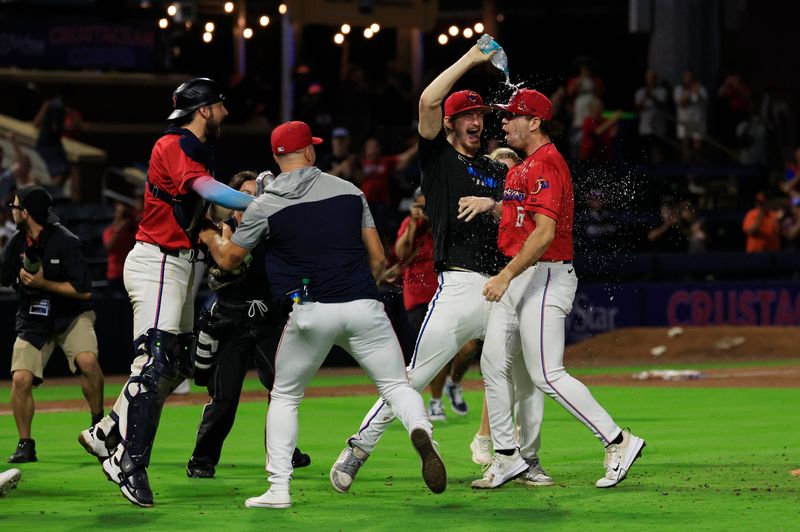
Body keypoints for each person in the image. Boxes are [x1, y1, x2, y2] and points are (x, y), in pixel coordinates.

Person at [199, 120, 444, 509]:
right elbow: (379, 259)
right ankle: (419, 428)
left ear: (278, 158)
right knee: (397, 386)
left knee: (285, 396)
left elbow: (229, 260)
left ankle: (279, 489)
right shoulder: (350, 191)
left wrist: (210, 235)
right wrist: (377, 278)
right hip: (363, 307)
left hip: (310, 311)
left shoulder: (265, 204)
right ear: (309, 152)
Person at [330, 40, 540, 493]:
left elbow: (524, 210)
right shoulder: (439, 159)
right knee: (415, 378)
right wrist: (472, 60)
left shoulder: (494, 169)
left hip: (503, 285)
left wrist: (498, 200)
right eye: (467, 115)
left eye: (481, 116)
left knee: (520, 375)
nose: (477, 121)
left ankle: (512, 459)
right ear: (449, 123)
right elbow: (427, 100)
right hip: (461, 287)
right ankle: (357, 450)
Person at [78, 77, 254, 508]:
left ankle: (107, 431)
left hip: (180, 267)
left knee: (177, 365)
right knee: (155, 364)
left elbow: (206, 204)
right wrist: (260, 203)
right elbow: (205, 191)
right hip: (159, 263)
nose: (226, 113)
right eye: (221, 105)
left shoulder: (196, 149)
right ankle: (128, 463)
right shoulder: (173, 143)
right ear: (205, 109)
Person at [458, 88, 645, 489]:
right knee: (492, 364)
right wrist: (491, 205)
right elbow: (520, 217)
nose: (503, 122)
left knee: (545, 372)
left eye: (512, 116)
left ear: (535, 122)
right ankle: (508, 457)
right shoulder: (524, 166)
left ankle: (617, 439)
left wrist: (506, 275)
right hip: (524, 274)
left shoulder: (545, 164)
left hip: (542, 274)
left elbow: (543, 234)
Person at [186, 171, 310, 479]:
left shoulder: (273, 231)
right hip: (231, 322)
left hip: (269, 319)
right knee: (224, 397)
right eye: (244, 193)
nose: (252, 198)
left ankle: (285, 452)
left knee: (281, 391)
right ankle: (201, 459)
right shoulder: (223, 231)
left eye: (256, 192)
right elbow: (223, 267)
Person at [0, 186, 105, 463]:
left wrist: (44, 283)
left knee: (87, 362)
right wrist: (19, 281)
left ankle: (100, 426)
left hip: (71, 315)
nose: (11, 210)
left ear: (25, 213)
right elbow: (4, 276)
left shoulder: (66, 241)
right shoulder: (16, 243)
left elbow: (84, 291)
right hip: (33, 319)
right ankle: (26, 444)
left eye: (15, 206)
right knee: (21, 378)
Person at [394, 188, 473, 421]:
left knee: (468, 349)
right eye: (421, 205)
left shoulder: (444, 223)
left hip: (449, 293)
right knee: (440, 351)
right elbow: (401, 253)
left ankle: (453, 384)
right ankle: (435, 403)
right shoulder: (411, 225)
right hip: (419, 296)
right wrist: (412, 223)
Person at [102, 201, 137, 296]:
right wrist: (118, 230)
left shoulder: (132, 230)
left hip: (130, 272)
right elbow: (109, 247)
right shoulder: (109, 230)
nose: (122, 215)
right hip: (115, 274)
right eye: (119, 212)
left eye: (124, 213)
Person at [673, 69, 708, 162]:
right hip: (684, 123)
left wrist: (697, 92)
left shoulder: (701, 89)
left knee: (698, 150)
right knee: (686, 149)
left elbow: (704, 102)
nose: (688, 80)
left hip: (698, 122)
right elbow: (681, 103)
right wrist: (690, 92)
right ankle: (688, 175)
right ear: (683, 78)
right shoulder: (679, 89)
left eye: (690, 78)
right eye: (686, 78)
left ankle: (698, 173)